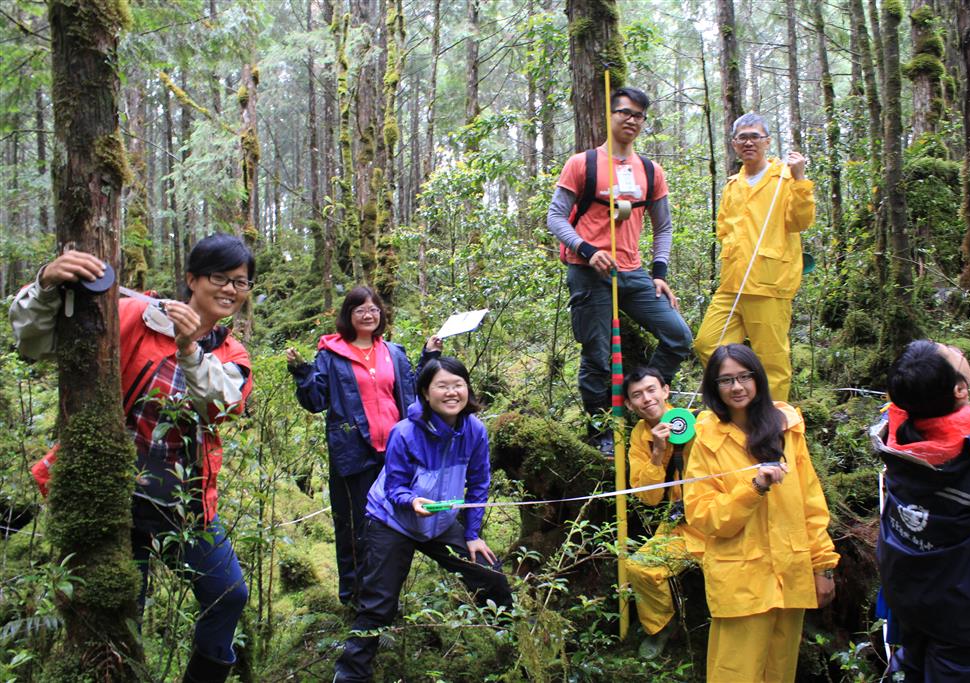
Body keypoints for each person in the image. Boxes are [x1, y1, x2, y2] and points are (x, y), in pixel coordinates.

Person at [11, 234, 255, 683]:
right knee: (125, 608)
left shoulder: (228, 350)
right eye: (219, 278)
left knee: (229, 593)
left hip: (184, 504)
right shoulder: (132, 316)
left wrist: (189, 350)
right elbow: (36, 343)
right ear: (191, 279)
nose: (230, 290)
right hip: (111, 496)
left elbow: (225, 404)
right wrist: (46, 283)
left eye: (240, 283)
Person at [333, 356, 513, 682]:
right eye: (441, 386)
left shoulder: (474, 430)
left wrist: (472, 534)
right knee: (378, 604)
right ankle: (350, 674)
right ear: (425, 393)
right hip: (392, 521)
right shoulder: (404, 433)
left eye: (458, 384)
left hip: (440, 523)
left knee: (491, 577)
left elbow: (479, 483)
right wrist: (411, 500)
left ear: (468, 389)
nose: (451, 392)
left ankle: (514, 648)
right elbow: (394, 487)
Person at [547, 86, 692, 455]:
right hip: (587, 271)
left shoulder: (649, 170)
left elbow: (664, 226)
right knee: (596, 355)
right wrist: (585, 248)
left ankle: (639, 395)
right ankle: (602, 432)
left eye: (639, 115)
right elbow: (554, 217)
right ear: (609, 116)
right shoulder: (583, 164)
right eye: (624, 112)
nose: (631, 120)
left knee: (678, 336)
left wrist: (659, 272)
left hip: (633, 272)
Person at [684, 344, 838, 682]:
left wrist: (823, 567)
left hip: (791, 574)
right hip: (741, 582)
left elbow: (811, 502)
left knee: (779, 674)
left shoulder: (788, 429)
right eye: (726, 381)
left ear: (758, 379)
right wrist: (753, 489)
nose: (737, 387)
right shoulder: (706, 440)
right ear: (714, 387)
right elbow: (704, 517)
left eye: (744, 377)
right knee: (734, 674)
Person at [873, 340, 970, 681]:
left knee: (910, 666)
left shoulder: (896, 432)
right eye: (953, 355)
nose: (957, 349)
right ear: (959, 390)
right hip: (965, 610)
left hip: (910, 588)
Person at [285, 287, 441, 605]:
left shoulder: (393, 353)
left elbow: (411, 392)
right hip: (354, 452)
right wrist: (302, 372)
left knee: (396, 521)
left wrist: (428, 357)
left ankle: (388, 592)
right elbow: (316, 401)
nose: (368, 314)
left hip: (395, 452)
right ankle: (356, 595)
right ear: (348, 315)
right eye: (360, 310)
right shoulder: (331, 355)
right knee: (358, 524)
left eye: (373, 309)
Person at [692, 113, 815, 402]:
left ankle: (773, 425)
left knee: (772, 359)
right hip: (732, 283)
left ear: (767, 142)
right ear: (734, 144)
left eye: (755, 137)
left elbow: (801, 221)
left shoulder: (784, 178)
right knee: (708, 344)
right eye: (742, 137)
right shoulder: (732, 185)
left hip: (769, 283)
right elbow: (724, 229)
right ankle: (738, 403)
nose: (748, 142)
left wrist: (800, 178)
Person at [622, 367, 705, 659]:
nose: (646, 399)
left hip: (720, 517)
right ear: (630, 405)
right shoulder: (639, 437)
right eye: (637, 395)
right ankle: (661, 626)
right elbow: (648, 498)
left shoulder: (698, 420)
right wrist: (657, 451)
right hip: (681, 524)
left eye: (651, 389)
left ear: (665, 390)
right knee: (641, 567)